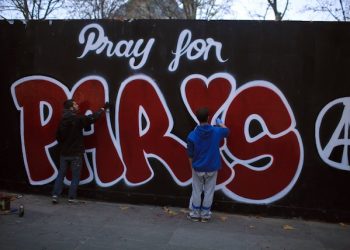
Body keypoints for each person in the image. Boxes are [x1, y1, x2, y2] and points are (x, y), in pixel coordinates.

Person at [52, 99, 109, 204]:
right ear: (71, 108)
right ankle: (71, 197)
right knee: (75, 176)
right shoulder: (77, 119)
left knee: (61, 174)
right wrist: (102, 109)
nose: (77, 105)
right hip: (75, 154)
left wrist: (64, 146)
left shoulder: (62, 121)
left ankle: (55, 195)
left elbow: (58, 137)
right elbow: (91, 118)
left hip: (64, 153)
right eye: (75, 104)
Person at [186, 107, 229, 222]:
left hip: (198, 167)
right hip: (212, 167)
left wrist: (192, 168)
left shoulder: (192, 135)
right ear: (208, 117)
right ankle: (205, 215)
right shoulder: (216, 131)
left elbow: (190, 155)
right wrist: (220, 123)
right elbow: (227, 131)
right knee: (209, 191)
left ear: (197, 119)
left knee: (196, 190)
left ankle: (195, 214)